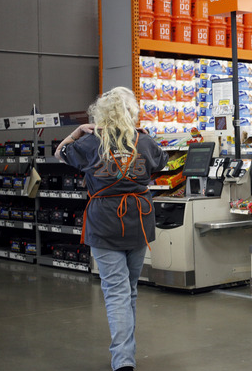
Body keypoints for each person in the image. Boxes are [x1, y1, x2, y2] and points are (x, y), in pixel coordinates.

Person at [56, 87, 167, 371]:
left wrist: (79, 131)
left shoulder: (91, 143)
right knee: (128, 290)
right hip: (139, 219)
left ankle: (123, 360)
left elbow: (60, 152)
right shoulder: (143, 140)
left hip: (104, 221)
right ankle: (125, 354)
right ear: (132, 112)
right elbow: (161, 162)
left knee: (116, 292)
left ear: (100, 114)